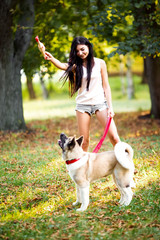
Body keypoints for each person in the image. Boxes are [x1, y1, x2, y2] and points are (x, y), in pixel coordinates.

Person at [45, 36, 120, 151]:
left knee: (114, 138)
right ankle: (83, 168)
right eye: (77, 51)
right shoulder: (76, 66)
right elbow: (62, 65)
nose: (80, 53)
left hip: (100, 103)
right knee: (84, 142)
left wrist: (110, 107)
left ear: (88, 47)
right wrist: (51, 58)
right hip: (83, 105)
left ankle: (127, 163)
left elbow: (106, 86)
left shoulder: (100, 63)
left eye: (82, 49)